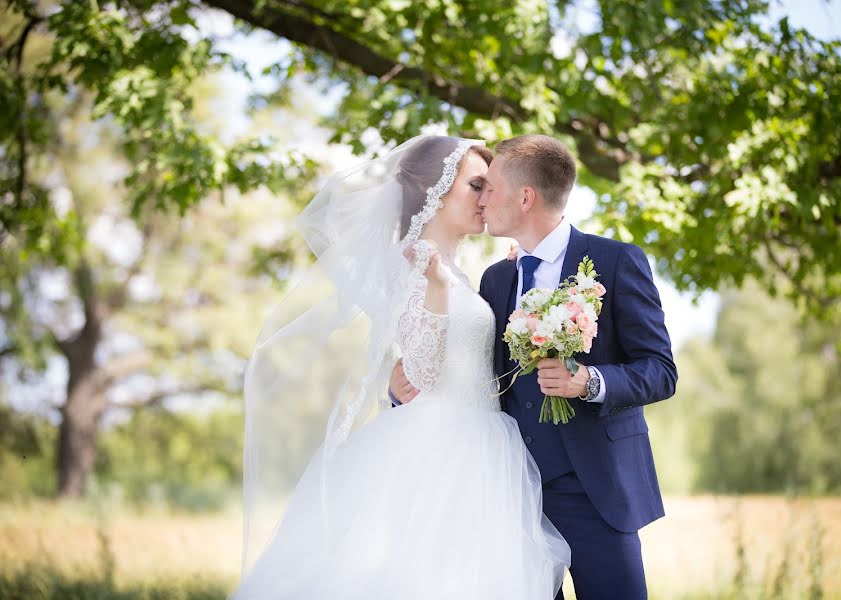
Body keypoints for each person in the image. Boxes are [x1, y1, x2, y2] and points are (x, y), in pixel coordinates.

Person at [233, 135, 570, 600]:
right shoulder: (415, 266)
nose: (488, 197)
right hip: (443, 446)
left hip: (482, 437)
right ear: (436, 190)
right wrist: (433, 291)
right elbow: (426, 373)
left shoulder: (457, 272)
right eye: (477, 185)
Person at [390, 134, 678, 599]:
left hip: (595, 492)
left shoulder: (615, 261)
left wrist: (590, 381)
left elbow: (661, 370)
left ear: (525, 197)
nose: (483, 199)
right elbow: (466, 365)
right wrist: (400, 385)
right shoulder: (496, 278)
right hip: (508, 492)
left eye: (490, 186)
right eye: (476, 187)